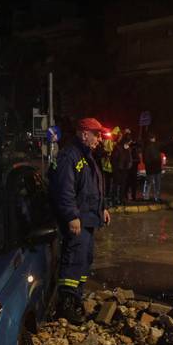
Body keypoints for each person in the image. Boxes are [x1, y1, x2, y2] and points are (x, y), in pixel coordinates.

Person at [49, 117, 112, 324]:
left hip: (89, 218)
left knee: (84, 259)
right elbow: (64, 190)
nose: (99, 139)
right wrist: (71, 216)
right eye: (97, 135)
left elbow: (92, 187)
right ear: (84, 134)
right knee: (74, 260)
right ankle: (65, 306)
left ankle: (76, 299)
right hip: (79, 220)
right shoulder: (70, 156)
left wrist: (102, 208)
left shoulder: (86, 156)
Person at [110, 135, 133, 205]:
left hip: (124, 170)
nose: (129, 144)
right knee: (116, 185)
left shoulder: (128, 149)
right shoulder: (117, 148)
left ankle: (121, 199)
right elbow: (113, 159)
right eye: (128, 142)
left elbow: (129, 158)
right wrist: (116, 167)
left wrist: (129, 164)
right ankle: (114, 199)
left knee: (123, 185)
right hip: (117, 170)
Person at [142, 133, 163, 201]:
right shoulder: (152, 146)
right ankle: (155, 197)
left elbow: (145, 159)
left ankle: (146, 196)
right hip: (154, 168)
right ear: (152, 139)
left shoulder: (149, 146)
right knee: (155, 183)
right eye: (154, 138)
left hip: (152, 168)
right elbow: (146, 159)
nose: (154, 139)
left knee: (149, 183)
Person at [127, 136, 141, 201]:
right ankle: (133, 196)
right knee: (132, 183)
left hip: (130, 169)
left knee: (129, 183)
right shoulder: (134, 150)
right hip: (132, 169)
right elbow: (138, 160)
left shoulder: (129, 149)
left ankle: (127, 195)